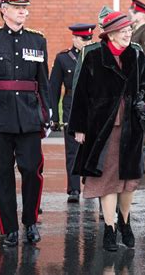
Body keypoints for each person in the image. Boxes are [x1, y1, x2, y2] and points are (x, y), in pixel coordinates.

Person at [68, 11, 145, 252]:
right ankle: (109, 229)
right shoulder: (94, 56)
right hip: (102, 127)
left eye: (129, 29)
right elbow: (81, 94)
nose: (128, 33)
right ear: (111, 34)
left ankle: (125, 223)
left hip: (131, 126)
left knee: (128, 179)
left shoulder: (137, 55)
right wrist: (78, 127)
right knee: (106, 180)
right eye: (124, 30)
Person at [0, 0, 50, 246]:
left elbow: (43, 82)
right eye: (17, 8)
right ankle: (9, 229)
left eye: (25, 8)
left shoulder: (37, 40)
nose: (23, 12)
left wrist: (47, 114)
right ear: (3, 9)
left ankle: (30, 222)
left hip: (28, 115)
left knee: (31, 170)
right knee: (2, 173)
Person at [50, 23, 96, 203]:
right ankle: (74, 189)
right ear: (74, 38)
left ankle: (91, 185)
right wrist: (53, 117)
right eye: (83, 39)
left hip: (93, 108)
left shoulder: (96, 56)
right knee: (73, 150)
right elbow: (53, 89)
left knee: (93, 150)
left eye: (89, 39)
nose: (87, 42)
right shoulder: (63, 59)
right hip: (71, 105)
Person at [129, 0, 145, 154]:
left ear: (141, 15)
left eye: (134, 12)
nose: (131, 15)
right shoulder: (134, 30)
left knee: (143, 109)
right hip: (134, 75)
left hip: (141, 76)